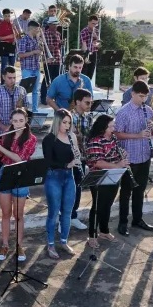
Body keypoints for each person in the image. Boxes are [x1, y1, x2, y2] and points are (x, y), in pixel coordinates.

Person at [0, 108, 36, 262]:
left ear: (26, 121)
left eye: (21, 120)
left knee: (18, 215)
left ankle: (19, 245)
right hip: (5, 174)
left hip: (21, 175)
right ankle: (5, 244)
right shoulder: (6, 134)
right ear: (11, 121)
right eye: (15, 121)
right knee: (5, 213)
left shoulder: (31, 138)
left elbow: (20, 158)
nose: (18, 124)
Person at [113, 81, 153, 236]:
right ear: (132, 94)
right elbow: (117, 134)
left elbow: (150, 133)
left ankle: (137, 219)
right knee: (126, 192)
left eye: (145, 96)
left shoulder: (149, 111)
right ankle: (122, 222)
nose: (143, 99)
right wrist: (137, 135)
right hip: (130, 157)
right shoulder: (123, 112)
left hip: (144, 156)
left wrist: (151, 129)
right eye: (140, 96)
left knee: (140, 191)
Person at [84, 114, 131, 247]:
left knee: (107, 205)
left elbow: (115, 152)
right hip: (99, 177)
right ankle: (91, 235)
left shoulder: (113, 138)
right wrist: (118, 165)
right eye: (111, 126)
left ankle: (104, 231)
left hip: (114, 176)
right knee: (98, 206)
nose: (113, 128)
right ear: (103, 127)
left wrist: (122, 154)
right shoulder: (95, 141)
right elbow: (98, 162)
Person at [41, 109, 79, 259]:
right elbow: (49, 161)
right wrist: (67, 164)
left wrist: (76, 154)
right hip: (53, 177)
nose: (67, 125)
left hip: (69, 177)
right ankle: (51, 244)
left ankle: (63, 241)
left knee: (68, 211)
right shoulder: (49, 139)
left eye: (69, 122)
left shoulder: (72, 136)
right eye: (65, 122)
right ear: (57, 122)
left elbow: (76, 157)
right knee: (53, 212)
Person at [69, 88, 93, 230]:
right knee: (68, 188)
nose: (90, 105)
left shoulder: (88, 117)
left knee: (78, 186)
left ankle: (73, 216)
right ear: (77, 102)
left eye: (90, 102)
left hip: (82, 157)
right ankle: (64, 218)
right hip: (70, 158)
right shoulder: (69, 117)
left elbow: (88, 136)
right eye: (87, 102)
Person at [0, 67, 28, 133]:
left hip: (19, 129)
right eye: (10, 78)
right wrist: (2, 126)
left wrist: (21, 108)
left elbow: (26, 106)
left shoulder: (21, 90)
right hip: (3, 130)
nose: (13, 80)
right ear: (3, 77)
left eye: (14, 78)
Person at [16, 20, 43, 112]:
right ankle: (24, 110)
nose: (38, 30)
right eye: (37, 29)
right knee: (25, 91)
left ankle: (35, 110)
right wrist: (34, 52)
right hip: (27, 68)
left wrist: (40, 51)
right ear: (32, 28)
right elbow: (20, 55)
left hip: (36, 67)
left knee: (35, 91)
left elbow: (39, 53)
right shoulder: (24, 39)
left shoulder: (37, 39)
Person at [40, 17, 63, 106]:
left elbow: (58, 46)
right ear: (49, 25)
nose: (55, 26)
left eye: (56, 24)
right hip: (48, 60)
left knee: (55, 80)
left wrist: (61, 44)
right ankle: (43, 98)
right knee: (46, 80)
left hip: (57, 59)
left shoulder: (58, 34)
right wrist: (48, 48)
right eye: (54, 24)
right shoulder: (44, 34)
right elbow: (41, 47)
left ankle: (52, 98)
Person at [0, 8, 16, 74]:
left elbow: (17, 35)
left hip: (12, 45)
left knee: (12, 65)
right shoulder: (1, 25)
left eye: (9, 16)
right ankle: (3, 82)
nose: (8, 18)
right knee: (4, 66)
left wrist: (15, 30)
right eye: (6, 16)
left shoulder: (12, 24)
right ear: (3, 16)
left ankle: (11, 80)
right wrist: (9, 37)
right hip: (4, 46)